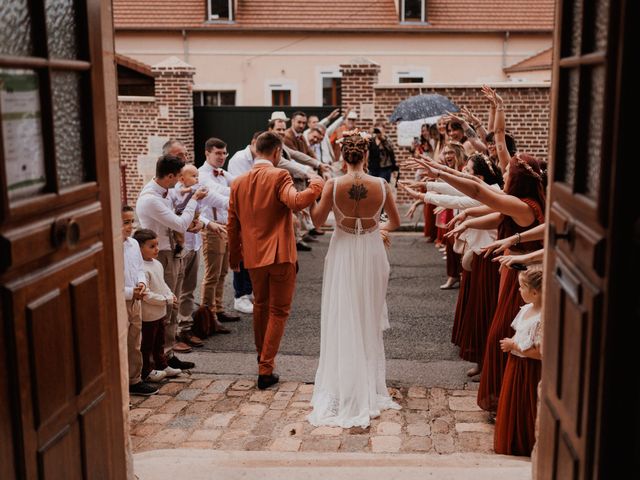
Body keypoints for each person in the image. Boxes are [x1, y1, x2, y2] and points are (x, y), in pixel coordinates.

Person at [307, 130, 402, 428]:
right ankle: (370, 385)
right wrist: (379, 231)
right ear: (367, 155)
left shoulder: (334, 185)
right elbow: (395, 223)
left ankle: (345, 383)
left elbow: (318, 222)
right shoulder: (382, 185)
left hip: (344, 251)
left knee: (343, 314)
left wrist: (314, 194)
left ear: (342, 155)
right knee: (367, 315)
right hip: (372, 251)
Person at [227, 132, 324, 389]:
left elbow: (232, 224)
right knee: (278, 311)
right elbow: (296, 201)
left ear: (255, 150)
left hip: (254, 257)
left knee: (260, 305)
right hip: (280, 255)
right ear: (278, 152)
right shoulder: (280, 175)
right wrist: (316, 185)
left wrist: (234, 258)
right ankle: (265, 369)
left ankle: (263, 357)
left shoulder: (238, 182)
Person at [136, 154, 208, 368]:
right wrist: (193, 200)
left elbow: (179, 217)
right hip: (162, 256)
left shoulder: (166, 193)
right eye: (177, 177)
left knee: (173, 306)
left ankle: (168, 353)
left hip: (174, 251)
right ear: (168, 176)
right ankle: (158, 359)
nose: (179, 181)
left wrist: (200, 222)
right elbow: (179, 223)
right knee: (164, 309)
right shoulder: (151, 199)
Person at [494, 266, 543, 456]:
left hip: (529, 368)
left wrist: (514, 347)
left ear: (535, 292)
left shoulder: (541, 318)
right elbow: (520, 334)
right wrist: (514, 343)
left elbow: (540, 353)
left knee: (526, 404)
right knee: (513, 403)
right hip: (515, 365)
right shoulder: (525, 309)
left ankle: (526, 442)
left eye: (522, 287)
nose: (518, 290)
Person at [198, 138, 240, 326]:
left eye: (224, 153)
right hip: (212, 228)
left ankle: (219, 308)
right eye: (218, 153)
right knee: (212, 273)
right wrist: (234, 192)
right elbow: (217, 193)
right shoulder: (201, 174)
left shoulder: (223, 173)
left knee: (223, 272)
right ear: (207, 154)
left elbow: (238, 185)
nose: (222, 156)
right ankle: (208, 315)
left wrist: (235, 190)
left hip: (226, 226)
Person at [133, 228, 183, 383]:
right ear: (139, 248)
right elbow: (147, 295)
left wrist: (170, 294)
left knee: (159, 342)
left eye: (157, 245)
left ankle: (162, 365)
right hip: (148, 315)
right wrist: (166, 299)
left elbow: (162, 284)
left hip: (160, 312)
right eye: (152, 246)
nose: (157, 249)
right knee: (147, 344)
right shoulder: (141, 269)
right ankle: (146, 370)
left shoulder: (157, 264)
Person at [122, 206, 157, 396]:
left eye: (131, 222)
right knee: (121, 342)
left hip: (136, 299)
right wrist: (130, 293)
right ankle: (121, 383)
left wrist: (142, 283)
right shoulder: (112, 247)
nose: (129, 227)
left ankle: (135, 379)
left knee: (135, 341)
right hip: (122, 300)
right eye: (125, 222)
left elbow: (139, 270)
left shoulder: (133, 244)